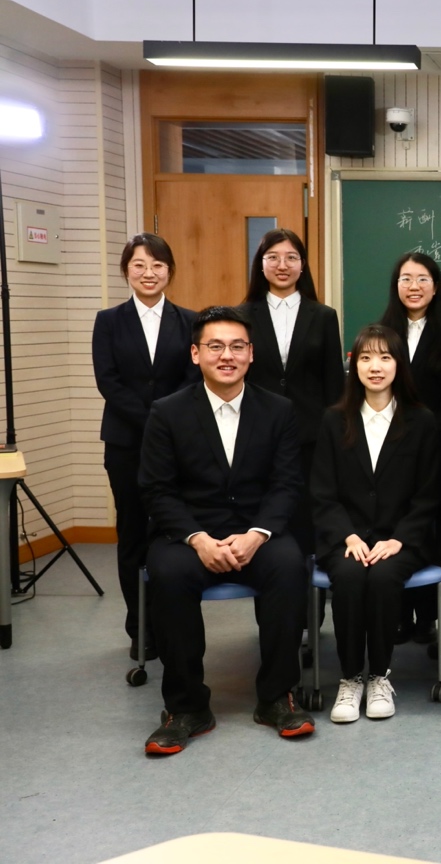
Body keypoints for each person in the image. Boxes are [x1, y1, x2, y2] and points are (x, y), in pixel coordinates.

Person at [139, 306, 313, 755]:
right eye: (215, 346)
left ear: (251, 354)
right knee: (169, 574)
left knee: (289, 566)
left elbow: (287, 483)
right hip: (190, 535)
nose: (227, 356)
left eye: (237, 346)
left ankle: (277, 697)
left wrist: (258, 533)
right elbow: (157, 490)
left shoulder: (278, 410)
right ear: (195, 354)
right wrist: (197, 539)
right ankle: (186, 707)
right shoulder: (167, 412)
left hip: (257, 532)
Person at [311, 325, 441, 724]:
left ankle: (380, 676)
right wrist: (347, 535)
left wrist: (400, 539)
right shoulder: (334, 420)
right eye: (366, 357)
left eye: (385, 357)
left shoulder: (422, 421)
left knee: (384, 578)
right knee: (350, 577)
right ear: (354, 366)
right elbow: (322, 492)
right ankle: (350, 678)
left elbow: (430, 495)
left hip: (402, 539)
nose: (375, 366)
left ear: (399, 365)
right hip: (345, 537)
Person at [92, 233, 199, 661]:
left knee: (174, 534)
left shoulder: (190, 321)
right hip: (126, 444)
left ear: (169, 270)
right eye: (139, 265)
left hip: (179, 446)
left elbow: (194, 377)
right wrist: (154, 419)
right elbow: (108, 380)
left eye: (157, 265)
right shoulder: (108, 321)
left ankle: (172, 623)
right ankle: (140, 628)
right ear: (126, 271)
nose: (148, 273)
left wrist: (167, 422)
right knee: (133, 534)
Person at [379, 251, 441, 645]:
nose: (413, 287)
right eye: (406, 279)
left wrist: (428, 434)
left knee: (430, 525)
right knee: (392, 523)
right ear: (395, 285)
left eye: (422, 279)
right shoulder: (381, 332)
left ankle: (428, 617)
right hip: (386, 446)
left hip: (436, 448)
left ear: (435, 287)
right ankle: (397, 614)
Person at [241, 228, 344, 554]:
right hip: (257, 429)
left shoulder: (324, 316)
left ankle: (309, 574)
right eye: (273, 257)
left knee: (306, 511)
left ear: (302, 265)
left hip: (311, 434)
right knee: (262, 508)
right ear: (261, 265)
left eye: (291, 258)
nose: (282, 265)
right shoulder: (242, 316)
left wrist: (334, 433)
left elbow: (334, 383)